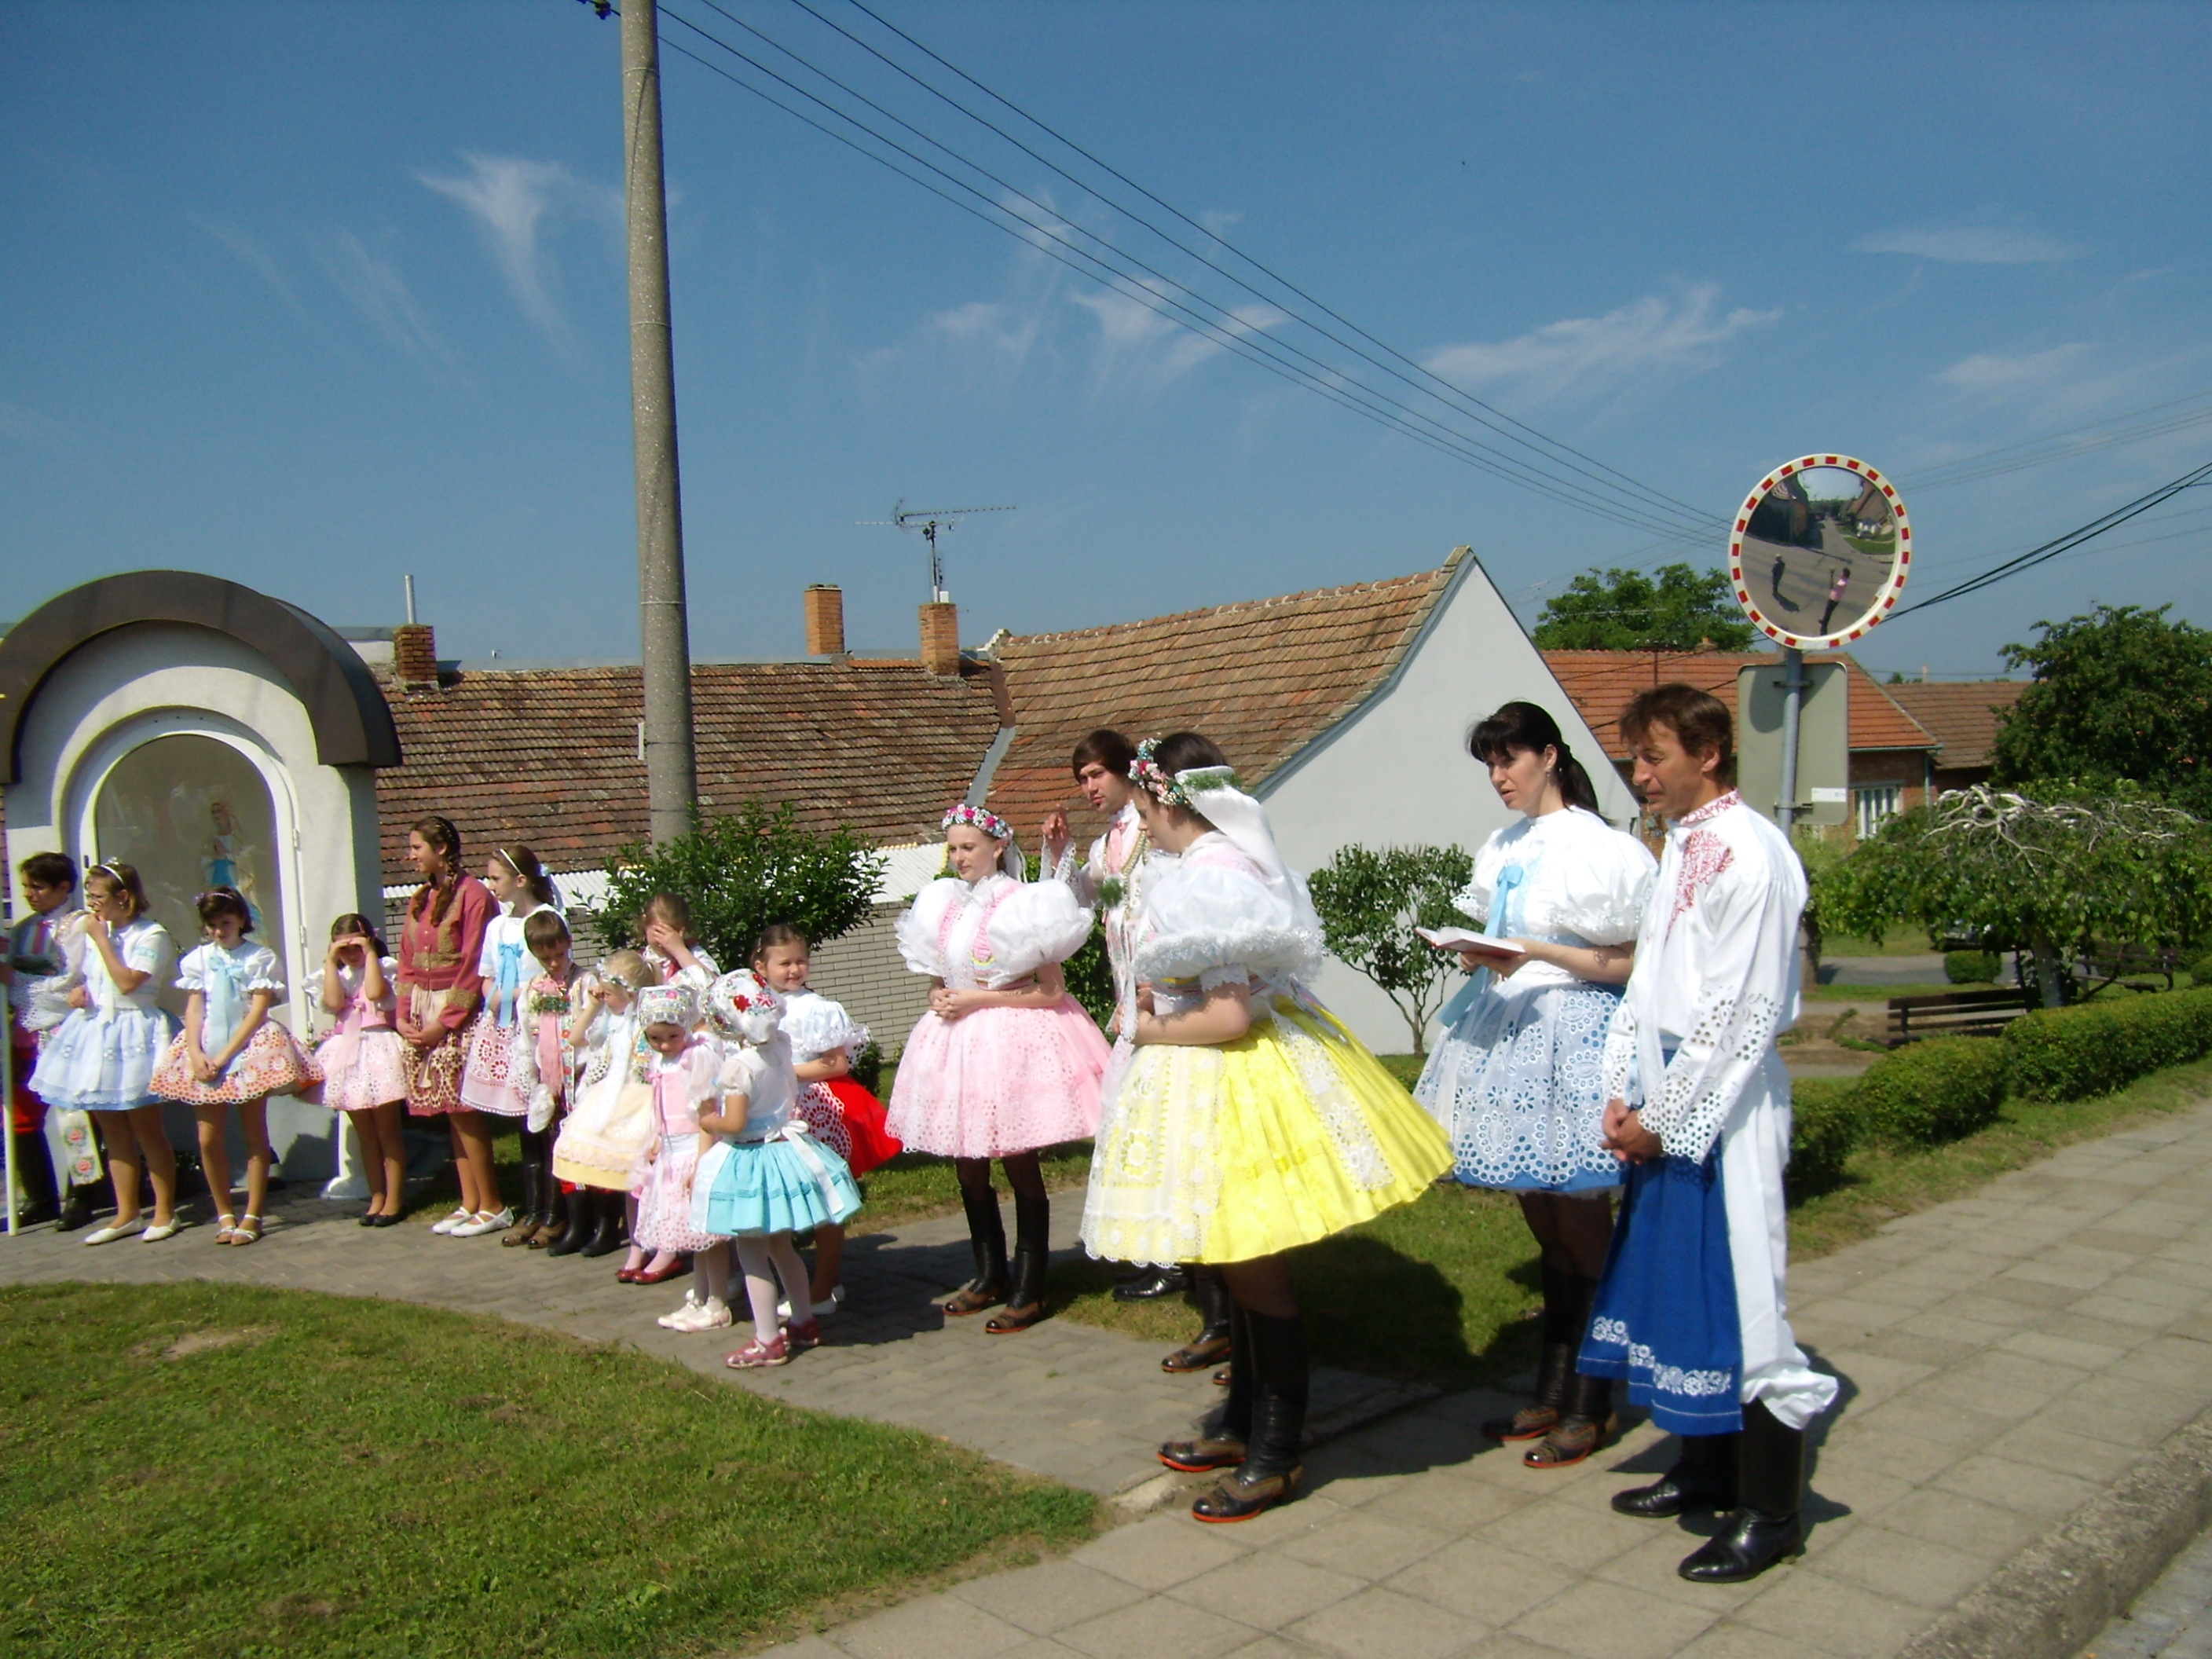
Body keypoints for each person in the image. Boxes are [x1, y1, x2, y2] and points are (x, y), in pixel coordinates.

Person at [1082, 735, 1453, 1522]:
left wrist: (1145, 1028)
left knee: (1251, 1258)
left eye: (1140, 806)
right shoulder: (1221, 862)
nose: (1138, 822)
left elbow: (1226, 1017)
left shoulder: (1208, 876)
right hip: (1240, 1068)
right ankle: (1242, 1421)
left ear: (1159, 801)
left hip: (1237, 1077)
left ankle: (1275, 1452)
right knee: (1234, 1254)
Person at [1580, 683, 1837, 1584]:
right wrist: (1621, 1091)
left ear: (1708, 753)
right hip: (1667, 1091)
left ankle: (1770, 1511)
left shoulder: (1751, 855)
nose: (1638, 774)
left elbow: (1740, 1012)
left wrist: (1664, 1118)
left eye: (1652, 756)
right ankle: (1703, 1466)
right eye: (1634, 757)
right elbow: (1648, 983)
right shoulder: (1681, 842)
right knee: (1675, 1285)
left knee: (1743, 1299)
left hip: (1724, 1105)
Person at [1415, 702, 1656, 1467]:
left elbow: (1632, 961)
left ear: (1550, 755)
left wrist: (1535, 951)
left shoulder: (1600, 847)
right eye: (1490, 763)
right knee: (1546, 1222)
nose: (1498, 775)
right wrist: (1481, 952)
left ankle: (1594, 1399)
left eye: (1509, 758)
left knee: (1581, 1224)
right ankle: (1554, 1388)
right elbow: (1506, 940)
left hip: (1574, 1038)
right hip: (1507, 1033)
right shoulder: (1502, 845)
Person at [888, 804, 1111, 1333]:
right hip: (956, 1044)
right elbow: (943, 974)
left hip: (1009, 1042)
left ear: (997, 847)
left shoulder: (1024, 902)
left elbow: (1050, 991)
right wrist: (940, 995)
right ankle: (989, 1272)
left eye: (968, 847)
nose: (958, 857)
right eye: (953, 848)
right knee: (968, 1162)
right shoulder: (944, 901)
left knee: (1018, 1159)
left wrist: (976, 999)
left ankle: (1030, 1286)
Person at [1044, 728, 1195, 1319]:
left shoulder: (1153, 832)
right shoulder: (1106, 843)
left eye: (1096, 775)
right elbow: (1077, 905)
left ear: (1126, 770)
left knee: (1163, 1122)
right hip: (1131, 998)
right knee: (1137, 1123)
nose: (1088, 788)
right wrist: (1058, 854)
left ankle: (1180, 1255)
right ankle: (1163, 1249)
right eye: (1081, 779)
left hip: (1167, 996)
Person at [690, 970, 862, 1366]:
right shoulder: (781, 1045)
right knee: (781, 1248)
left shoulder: (738, 1067)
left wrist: (708, 1120)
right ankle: (802, 1320)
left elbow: (735, 1123)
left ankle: (768, 1338)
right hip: (784, 1150)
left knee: (752, 1253)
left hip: (752, 1158)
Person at [148, 886, 321, 1245]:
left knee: (253, 1132)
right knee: (208, 1137)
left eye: (225, 922)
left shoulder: (259, 957)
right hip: (206, 1043)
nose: (218, 931)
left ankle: (253, 1213)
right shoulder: (198, 959)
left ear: (241, 919)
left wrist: (226, 1055)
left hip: (248, 1042)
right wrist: (195, 1051)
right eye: (211, 924)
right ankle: (224, 1212)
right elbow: (195, 1007)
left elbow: (258, 1010)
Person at [31, 862, 182, 1244]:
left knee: (147, 1128)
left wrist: (100, 940)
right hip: (97, 1031)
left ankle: (164, 1211)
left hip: (135, 1031)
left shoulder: (152, 935)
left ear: (123, 897)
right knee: (113, 1130)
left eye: (98, 897)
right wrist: (82, 991)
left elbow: (129, 982)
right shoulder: (102, 932)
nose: (93, 904)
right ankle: (126, 1212)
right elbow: (96, 979)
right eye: (90, 897)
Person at [753, 924, 899, 1317]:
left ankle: (825, 1284)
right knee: (783, 1194)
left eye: (801, 961)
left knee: (824, 1195)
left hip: (813, 1108)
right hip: (772, 1110)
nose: (794, 970)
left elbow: (834, 1063)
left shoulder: (817, 1008)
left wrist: (783, 1073)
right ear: (761, 966)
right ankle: (785, 1277)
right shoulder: (757, 1007)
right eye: (784, 963)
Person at [393, 817, 500, 1232]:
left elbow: (474, 963)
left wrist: (446, 1021)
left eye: (417, 847)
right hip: (424, 1008)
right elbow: (407, 960)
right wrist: (404, 1013)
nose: (411, 855)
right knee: (449, 1110)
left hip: (457, 1012)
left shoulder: (474, 896)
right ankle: (469, 1199)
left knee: (464, 1108)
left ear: (440, 849)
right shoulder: (421, 897)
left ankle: (492, 1202)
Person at [456, 848, 562, 1240]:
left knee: (545, 1118)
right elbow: (487, 974)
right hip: (506, 1027)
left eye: (496, 878)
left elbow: (552, 976)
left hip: (537, 1025)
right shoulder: (498, 926)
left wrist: (515, 994)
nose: (490, 885)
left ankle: (555, 1212)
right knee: (524, 1122)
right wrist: (494, 995)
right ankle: (533, 1210)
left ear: (521, 880)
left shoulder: (545, 919)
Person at [619, 983, 726, 1308]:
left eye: (672, 1037)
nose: (664, 1045)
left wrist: (702, 1159)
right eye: (655, 1038)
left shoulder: (695, 1058)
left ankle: (716, 1295)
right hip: (670, 1150)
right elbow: (659, 1104)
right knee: (686, 1230)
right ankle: (702, 1293)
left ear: (687, 1028)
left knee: (703, 1231)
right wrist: (656, 1139)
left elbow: (707, 1110)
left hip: (693, 1148)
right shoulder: (659, 1062)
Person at [549, 948, 654, 1258]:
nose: (603, 997)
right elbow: (576, 1038)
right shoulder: (611, 1019)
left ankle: (652, 1244)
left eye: (608, 993)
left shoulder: (643, 1023)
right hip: (612, 1097)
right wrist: (594, 1006)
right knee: (611, 1169)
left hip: (639, 1101)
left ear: (629, 994)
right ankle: (631, 1242)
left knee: (641, 1178)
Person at [312, 913, 411, 1226]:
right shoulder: (335, 974)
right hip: (348, 1053)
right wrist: (331, 961)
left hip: (378, 1048)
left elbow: (376, 994)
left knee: (387, 1131)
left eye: (356, 945)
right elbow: (332, 1002)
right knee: (365, 1135)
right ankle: (377, 1195)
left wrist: (369, 955)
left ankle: (395, 1198)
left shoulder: (383, 967)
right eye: (344, 948)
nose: (351, 953)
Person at [5, 851, 82, 1229]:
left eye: (37, 887)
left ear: (63, 887)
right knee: (20, 1113)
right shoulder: (22, 930)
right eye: (25, 886)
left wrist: (18, 981)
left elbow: (73, 983)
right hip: (26, 1032)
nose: (28, 894)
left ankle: (84, 1193)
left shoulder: (78, 926)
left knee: (74, 1113)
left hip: (64, 1030)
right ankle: (40, 1196)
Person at [505, 910, 582, 1247]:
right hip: (546, 1080)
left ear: (568, 944)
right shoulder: (534, 989)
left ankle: (560, 1215)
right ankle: (538, 1211)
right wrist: (529, 1079)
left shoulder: (584, 983)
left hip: (576, 1077)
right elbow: (526, 1035)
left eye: (558, 955)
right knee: (538, 1145)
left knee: (563, 1149)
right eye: (544, 958)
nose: (553, 963)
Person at [640, 892, 719, 991]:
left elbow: (716, 987)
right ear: (645, 923)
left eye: (673, 933)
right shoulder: (640, 959)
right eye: (659, 932)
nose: (665, 940)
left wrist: (679, 951)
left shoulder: (694, 955)